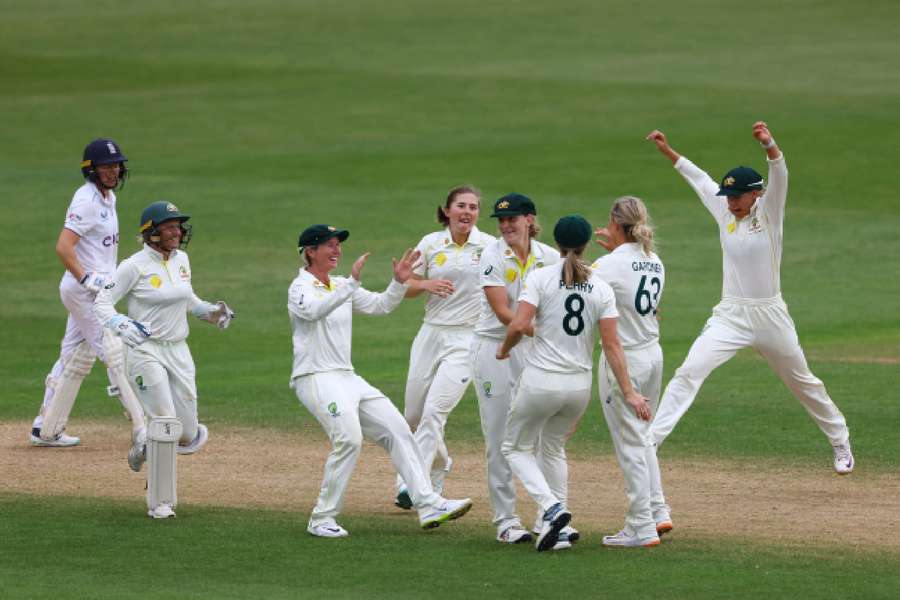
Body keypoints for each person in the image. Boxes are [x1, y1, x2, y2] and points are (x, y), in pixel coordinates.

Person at [646, 122, 854, 474]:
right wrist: (669, 152)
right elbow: (700, 180)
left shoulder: (769, 214)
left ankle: (840, 442)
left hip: (770, 314)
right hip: (730, 315)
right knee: (689, 371)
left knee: (802, 382)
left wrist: (770, 145)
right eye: (727, 197)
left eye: (737, 197)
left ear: (755, 194)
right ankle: (651, 440)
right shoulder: (725, 212)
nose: (730, 202)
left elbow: (781, 174)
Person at [288, 223, 473, 538]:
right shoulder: (300, 288)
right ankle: (322, 517)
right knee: (348, 439)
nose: (337, 250)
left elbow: (380, 305)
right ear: (310, 251)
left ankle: (427, 504)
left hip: (347, 376)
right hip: (315, 376)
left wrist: (399, 283)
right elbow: (314, 312)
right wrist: (350, 286)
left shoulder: (340, 284)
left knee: (398, 429)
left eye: (338, 244)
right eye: (329, 245)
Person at [498, 215, 652, 551]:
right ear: (585, 245)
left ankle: (553, 509)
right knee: (552, 448)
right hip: (578, 387)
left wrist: (503, 350)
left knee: (514, 448)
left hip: (541, 381)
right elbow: (612, 345)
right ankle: (561, 532)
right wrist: (629, 391)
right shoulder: (600, 285)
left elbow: (518, 324)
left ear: (556, 243)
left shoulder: (540, 276)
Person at [95, 200, 234, 517]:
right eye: (170, 226)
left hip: (178, 350)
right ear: (152, 233)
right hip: (145, 349)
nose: (177, 231)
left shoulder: (182, 259)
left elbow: (188, 300)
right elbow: (103, 301)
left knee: (187, 433)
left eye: (178, 226)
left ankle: (145, 443)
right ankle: (160, 502)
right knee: (166, 423)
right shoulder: (134, 265)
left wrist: (211, 313)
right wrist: (119, 323)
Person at [31, 138, 145, 454]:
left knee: (73, 357)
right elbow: (63, 247)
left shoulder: (107, 198)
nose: (113, 171)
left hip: (98, 292)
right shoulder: (87, 201)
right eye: (106, 166)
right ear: (90, 169)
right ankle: (142, 428)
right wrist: (87, 278)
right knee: (114, 351)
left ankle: (47, 427)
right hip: (85, 292)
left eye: (116, 165)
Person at [394, 185, 495, 510]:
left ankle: (412, 485)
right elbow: (407, 286)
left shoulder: (490, 246)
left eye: (473, 207)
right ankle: (439, 465)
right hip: (431, 334)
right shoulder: (431, 243)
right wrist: (423, 283)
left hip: (468, 339)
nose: (467, 212)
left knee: (435, 413)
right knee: (413, 415)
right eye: (461, 206)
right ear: (448, 210)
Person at [470, 193, 561, 545]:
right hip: (494, 349)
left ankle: (544, 514)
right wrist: (549, 337)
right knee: (499, 434)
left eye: (513, 219)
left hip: (532, 349)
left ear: (529, 219)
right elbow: (505, 314)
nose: (506, 225)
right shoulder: (492, 254)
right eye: (501, 220)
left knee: (536, 431)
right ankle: (506, 521)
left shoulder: (549, 257)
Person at [591, 196, 671, 547]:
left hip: (624, 359)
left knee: (630, 444)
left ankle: (640, 526)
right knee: (643, 436)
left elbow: (573, 284)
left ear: (615, 224)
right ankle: (658, 511)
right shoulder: (655, 260)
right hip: (652, 354)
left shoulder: (608, 265)